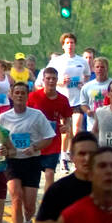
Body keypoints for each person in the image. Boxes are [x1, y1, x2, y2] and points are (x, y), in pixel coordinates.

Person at [3, 80, 54, 223]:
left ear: (27, 96)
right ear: (11, 95)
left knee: (30, 205)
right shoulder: (3, 118)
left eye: (22, 93)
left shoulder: (37, 115)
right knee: (16, 197)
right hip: (12, 162)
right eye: (16, 92)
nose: (19, 96)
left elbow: (49, 137)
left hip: (31, 161)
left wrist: (34, 147)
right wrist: (2, 148)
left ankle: (27, 220)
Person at [46, 33, 90, 161]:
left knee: (76, 127)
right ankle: (63, 156)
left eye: (72, 43)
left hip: (78, 99)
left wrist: (83, 83)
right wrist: (60, 81)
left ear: (75, 45)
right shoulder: (57, 61)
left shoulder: (82, 61)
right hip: (63, 99)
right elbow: (48, 78)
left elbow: (87, 75)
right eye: (67, 43)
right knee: (65, 130)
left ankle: (76, 153)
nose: (70, 45)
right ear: (63, 46)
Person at [27, 66, 72, 191]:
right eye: (48, 78)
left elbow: (68, 117)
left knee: (50, 173)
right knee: (33, 176)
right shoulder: (33, 97)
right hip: (35, 141)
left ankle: (47, 202)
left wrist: (66, 125)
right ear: (43, 80)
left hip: (53, 141)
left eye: (54, 79)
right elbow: (25, 114)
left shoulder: (63, 100)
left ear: (57, 80)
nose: (51, 81)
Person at [79, 57, 111, 126]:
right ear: (93, 69)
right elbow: (83, 104)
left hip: (110, 123)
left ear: (107, 69)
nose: (100, 69)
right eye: (97, 67)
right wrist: (88, 111)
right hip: (92, 124)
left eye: (102, 67)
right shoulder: (87, 86)